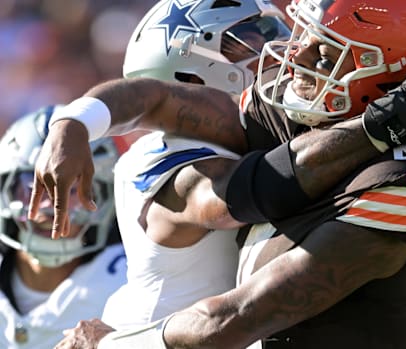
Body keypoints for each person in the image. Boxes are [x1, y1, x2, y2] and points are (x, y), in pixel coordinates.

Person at [42, 0, 406, 348]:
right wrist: (74, 119)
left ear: (380, 77)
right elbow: (176, 114)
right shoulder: (265, 124)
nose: (289, 58)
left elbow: (233, 321)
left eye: (323, 52)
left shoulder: (405, 187)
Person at [100, 0, 291, 329]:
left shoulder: (245, 140)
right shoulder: (176, 159)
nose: (280, 51)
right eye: (254, 41)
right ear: (192, 76)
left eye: (276, 33)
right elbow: (233, 199)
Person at [0, 105, 127, 348]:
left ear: (103, 198)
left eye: (72, 190)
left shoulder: (127, 279)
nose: (51, 205)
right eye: (34, 188)